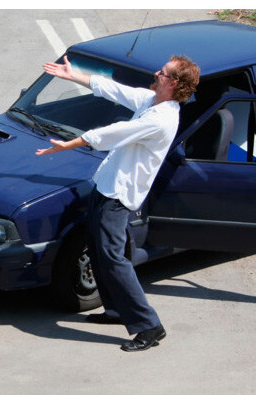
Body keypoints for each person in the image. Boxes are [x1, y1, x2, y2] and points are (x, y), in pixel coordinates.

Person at [36, 54, 200, 352]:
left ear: (173, 83)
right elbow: (113, 89)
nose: (156, 72)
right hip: (107, 185)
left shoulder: (161, 119)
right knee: (100, 251)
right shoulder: (152, 101)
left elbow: (114, 133)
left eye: (162, 72)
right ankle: (115, 311)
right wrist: (73, 76)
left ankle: (149, 326)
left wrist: (69, 144)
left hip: (119, 196)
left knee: (113, 258)